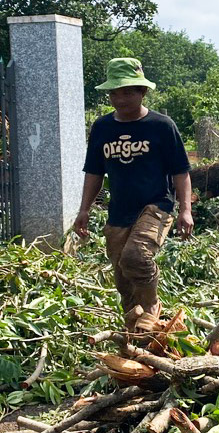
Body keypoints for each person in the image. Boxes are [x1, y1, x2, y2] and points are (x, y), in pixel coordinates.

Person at [74, 57, 193, 335]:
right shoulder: (103, 128)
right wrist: (84, 209)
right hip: (119, 212)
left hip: (156, 206)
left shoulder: (161, 126)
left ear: (143, 92)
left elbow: (181, 171)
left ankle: (152, 309)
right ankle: (138, 336)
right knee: (123, 279)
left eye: (128, 91)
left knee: (136, 258)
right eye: (115, 92)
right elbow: (94, 172)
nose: (120, 98)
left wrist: (185, 209)